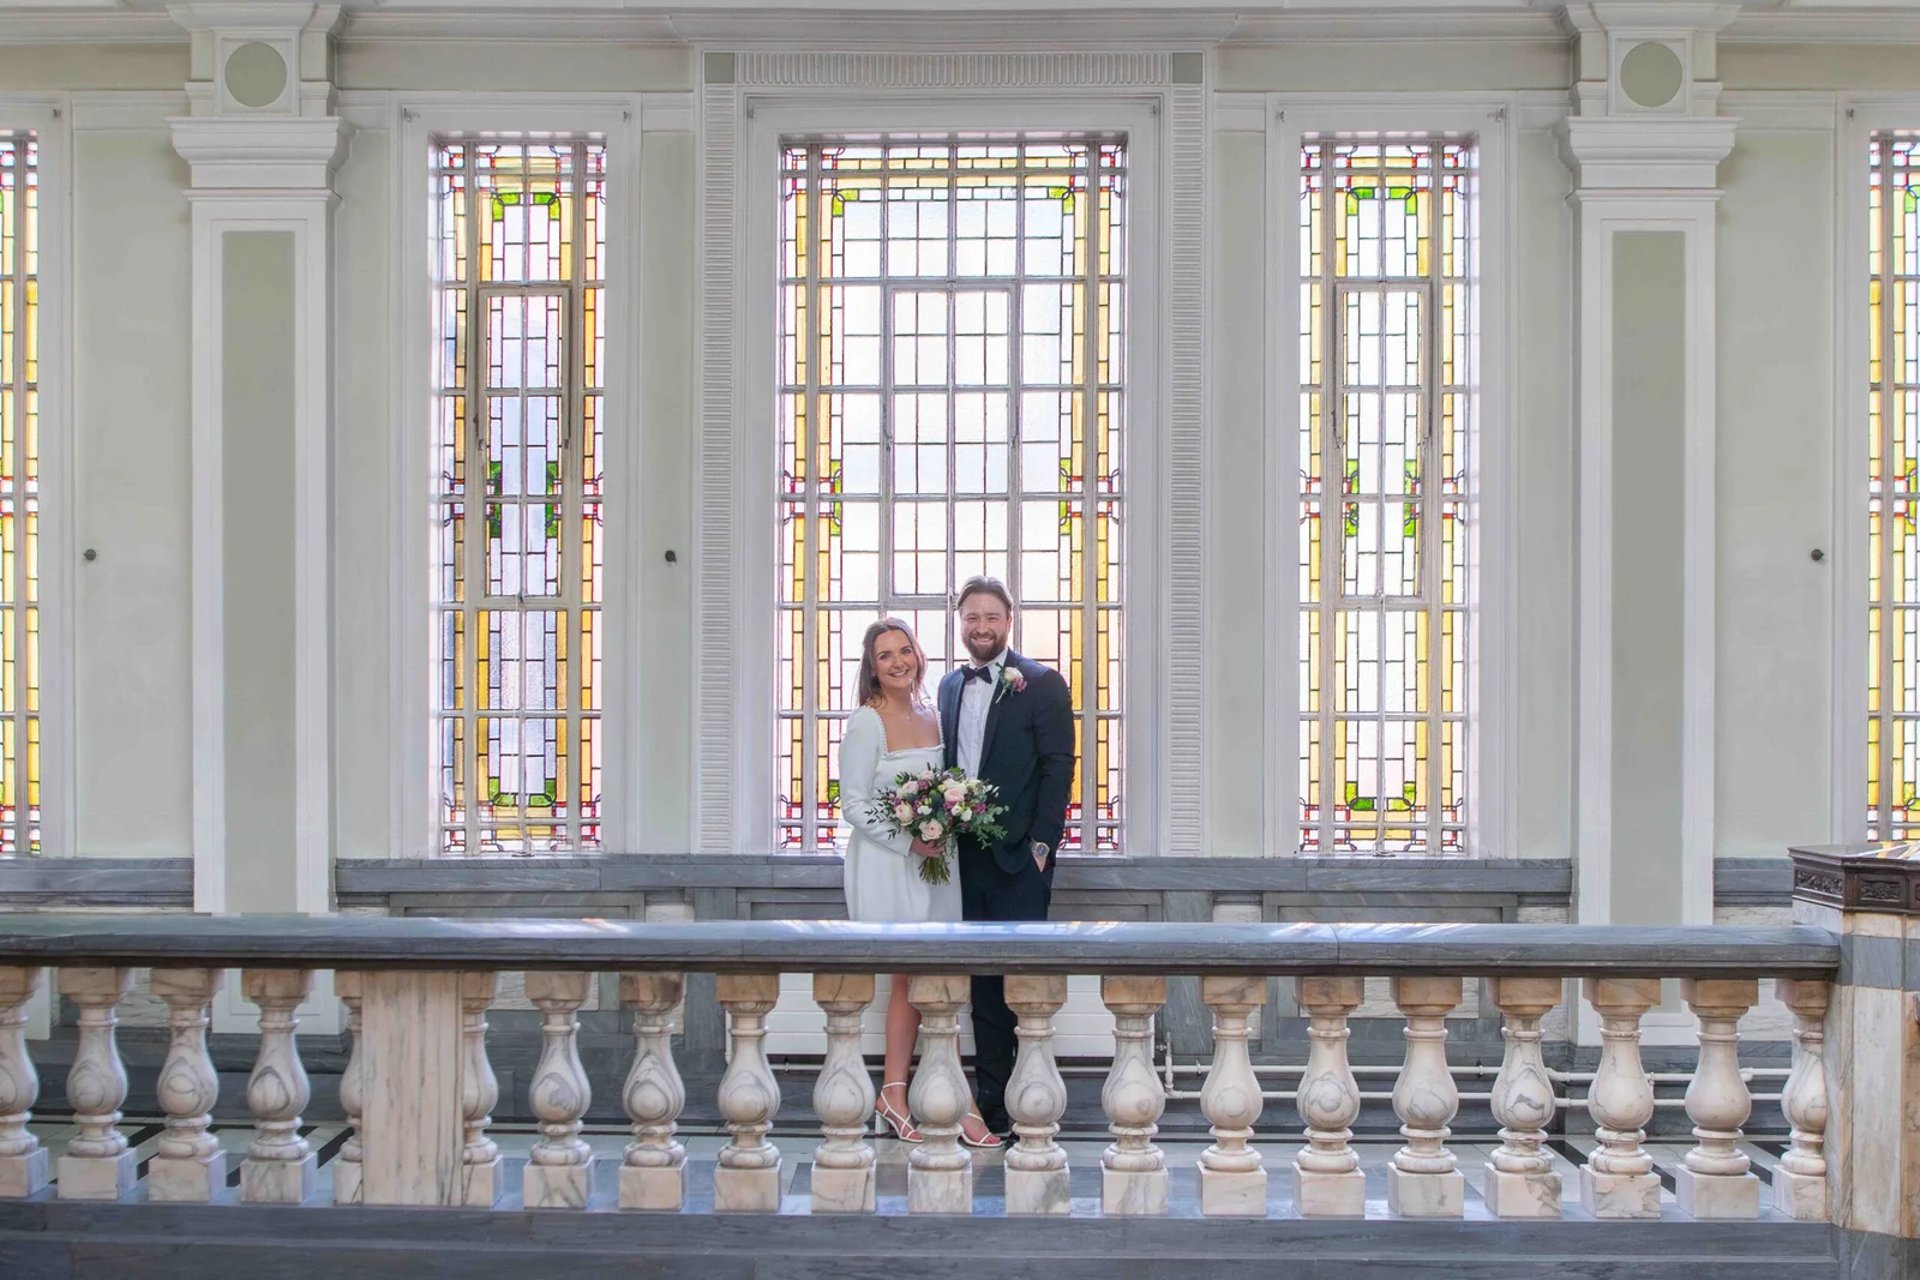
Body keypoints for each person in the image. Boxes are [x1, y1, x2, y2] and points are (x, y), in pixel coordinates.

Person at [839, 617, 1001, 1149]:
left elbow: (943, 787)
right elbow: (854, 804)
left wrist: (944, 820)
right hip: (888, 863)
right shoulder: (867, 722)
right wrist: (909, 840)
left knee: (937, 975)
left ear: (918, 656)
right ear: (872, 668)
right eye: (885, 655)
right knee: (908, 975)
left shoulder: (932, 714)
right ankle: (916, 1094)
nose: (897, 662)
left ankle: (924, 1093)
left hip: (937, 864)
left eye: (904, 650)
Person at [936, 577, 1075, 1137]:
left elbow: (1058, 768)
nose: (981, 627)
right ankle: (992, 1105)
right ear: (960, 622)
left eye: (991, 617)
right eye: (972, 617)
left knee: (1023, 988)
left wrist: (1041, 847)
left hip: (1021, 861)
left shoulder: (1041, 683)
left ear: (1009, 621)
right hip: (962, 861)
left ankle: (1031, 1101)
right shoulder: (949, 686)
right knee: (981, 989)